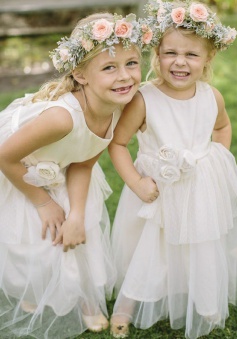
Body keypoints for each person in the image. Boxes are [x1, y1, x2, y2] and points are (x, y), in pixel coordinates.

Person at [0, 11, 152, 338]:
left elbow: (83, 163)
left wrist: (77, 215)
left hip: (67, 165)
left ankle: (85, 298)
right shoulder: (61, 118)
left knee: (82, 228)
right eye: (109, 67)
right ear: (80, 74)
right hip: (18, 169)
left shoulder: (118, 110)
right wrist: (43, 203)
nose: (125, 76)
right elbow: (5, 157)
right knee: (37, 243)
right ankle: (38, 289)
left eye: (131, 63)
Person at [108, 1, 237, 338]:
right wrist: (136, 182)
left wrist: (213, 161)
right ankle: (128, 303)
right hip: (157, 191)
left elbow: (222, 128)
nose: (180, 62)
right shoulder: (144, 98)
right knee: (152, 248)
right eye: (171, 53)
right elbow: (117, 144)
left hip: (199, 191)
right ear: (158, 55)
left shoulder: (212, 96)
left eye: (191, 55)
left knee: (201, 242)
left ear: (207, 59)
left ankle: (205, 296)